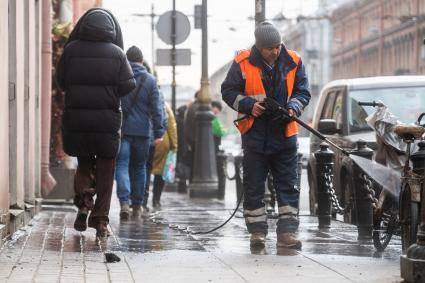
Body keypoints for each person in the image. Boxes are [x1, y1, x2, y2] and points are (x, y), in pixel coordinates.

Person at [221, 22, 311, 249]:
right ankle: (257, 233)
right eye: (270, 48)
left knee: (288, 185)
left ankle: (287, 234)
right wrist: (250, 105)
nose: (276, 51)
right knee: (253, 186)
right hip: (255, 134)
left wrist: (293, 107)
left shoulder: (293, 60)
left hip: (285, 133)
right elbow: (228, 91)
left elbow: (303, 91)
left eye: (278, 46)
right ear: (259, 48)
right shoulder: (242, 61)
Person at [56, 8, 136, 238]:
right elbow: (128, 85)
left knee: (83, 163)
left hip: (77, 119)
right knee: (106, 168)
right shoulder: (117, 53)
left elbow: (61, 80)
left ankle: (83, 203)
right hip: (106, 121)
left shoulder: (71, 50)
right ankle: (100, 221)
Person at [115, 46, 165, 219]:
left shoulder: (119, 78)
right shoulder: (150, 81)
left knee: (121, 165)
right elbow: (157, 109)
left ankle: (124, 203)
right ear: (142, 61)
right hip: (143, 132)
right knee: (139, 168)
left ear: (126, 60)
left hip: (122, 131)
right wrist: (159, 131)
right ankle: (137, 206)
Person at [151, 102, 178, 208]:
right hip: (162, 140)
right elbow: (172, 126)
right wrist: (174, 145)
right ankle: (156, 199)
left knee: (143, 170)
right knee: (160, 172)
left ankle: (141, 202)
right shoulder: (165, 106)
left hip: (145, 137)